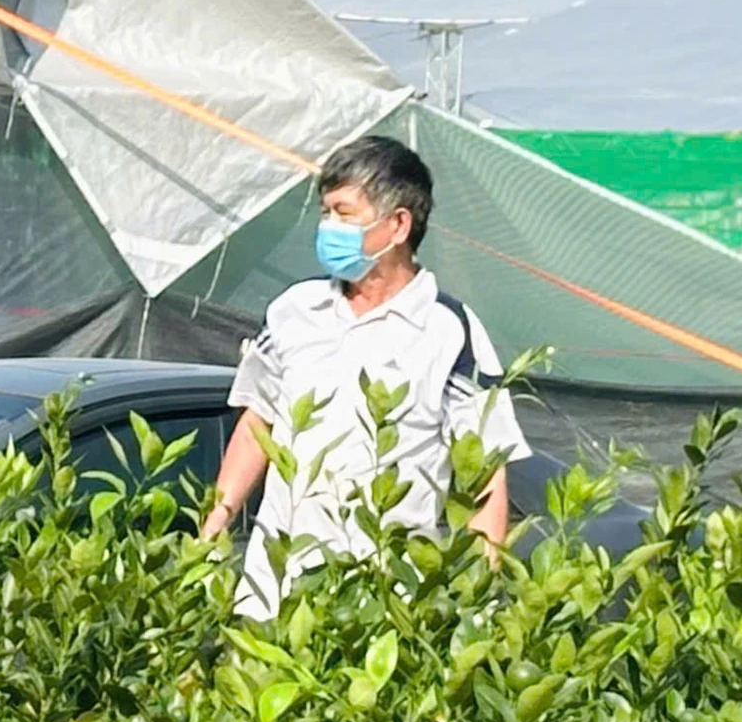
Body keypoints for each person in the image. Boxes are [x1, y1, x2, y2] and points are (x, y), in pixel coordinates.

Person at [199, 134, 528, 618]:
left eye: (343, 212)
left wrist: (478, 600)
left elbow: (484, 475)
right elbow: (256, 426)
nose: (328, 226)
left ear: (397, 225)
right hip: (274, 593)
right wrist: (212, 530)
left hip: (389, 603)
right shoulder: (294, 311)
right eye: (325, 212)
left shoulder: (449, 329)